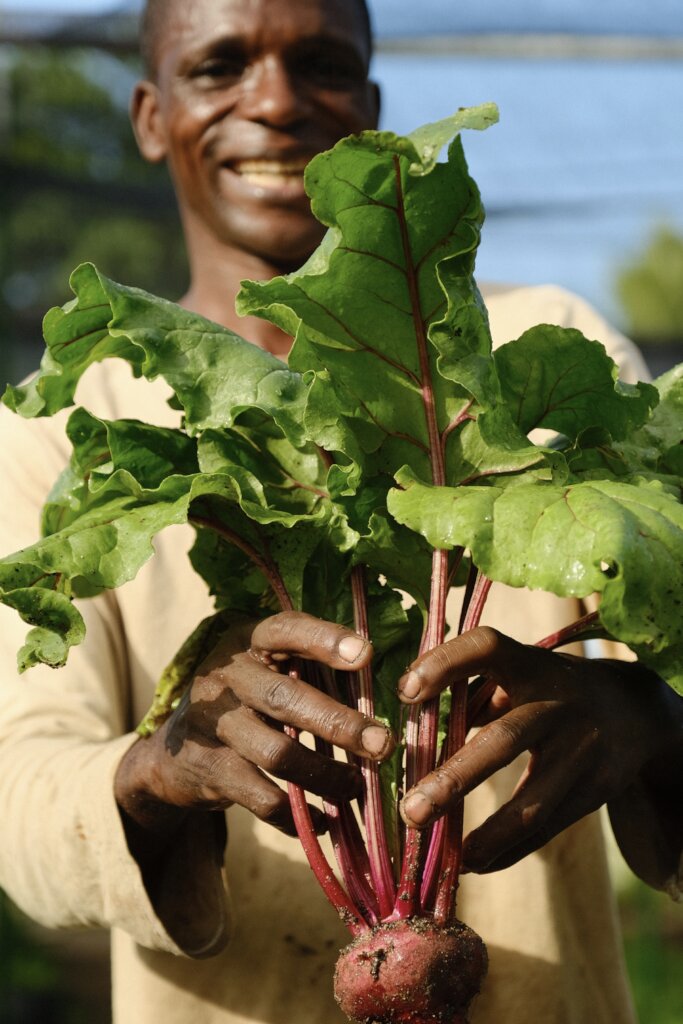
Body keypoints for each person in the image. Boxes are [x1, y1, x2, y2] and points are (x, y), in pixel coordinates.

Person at [0, 1, 680, 1022]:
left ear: (367, 109)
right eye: (220, 65)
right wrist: (157, 766)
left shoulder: (545, 341)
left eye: (317, 63)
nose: (273, 101)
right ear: (149, 114)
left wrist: (655, 720)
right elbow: (18, 792)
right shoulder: (78, 423)